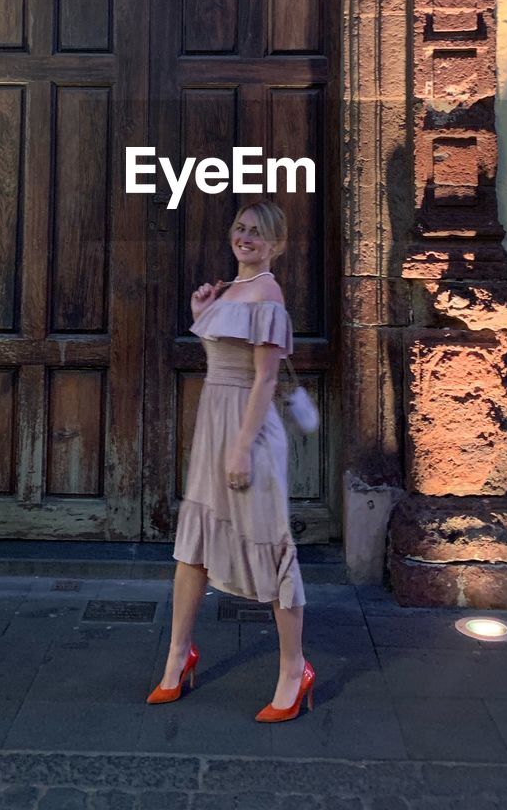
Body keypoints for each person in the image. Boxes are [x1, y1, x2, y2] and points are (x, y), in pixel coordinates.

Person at [146, 198, 315, 722]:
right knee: (193, 546)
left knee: (268, 545)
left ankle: (294, 670)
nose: (246, 238)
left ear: (277, 244)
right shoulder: (231, 289)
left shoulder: (267, 291)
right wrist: (204, 316)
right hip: (214, 425)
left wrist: (241, 447)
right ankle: (178, 656)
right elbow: (222, 361)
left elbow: (264, 379)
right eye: (241, 229)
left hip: (248, 431)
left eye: (258, 233)